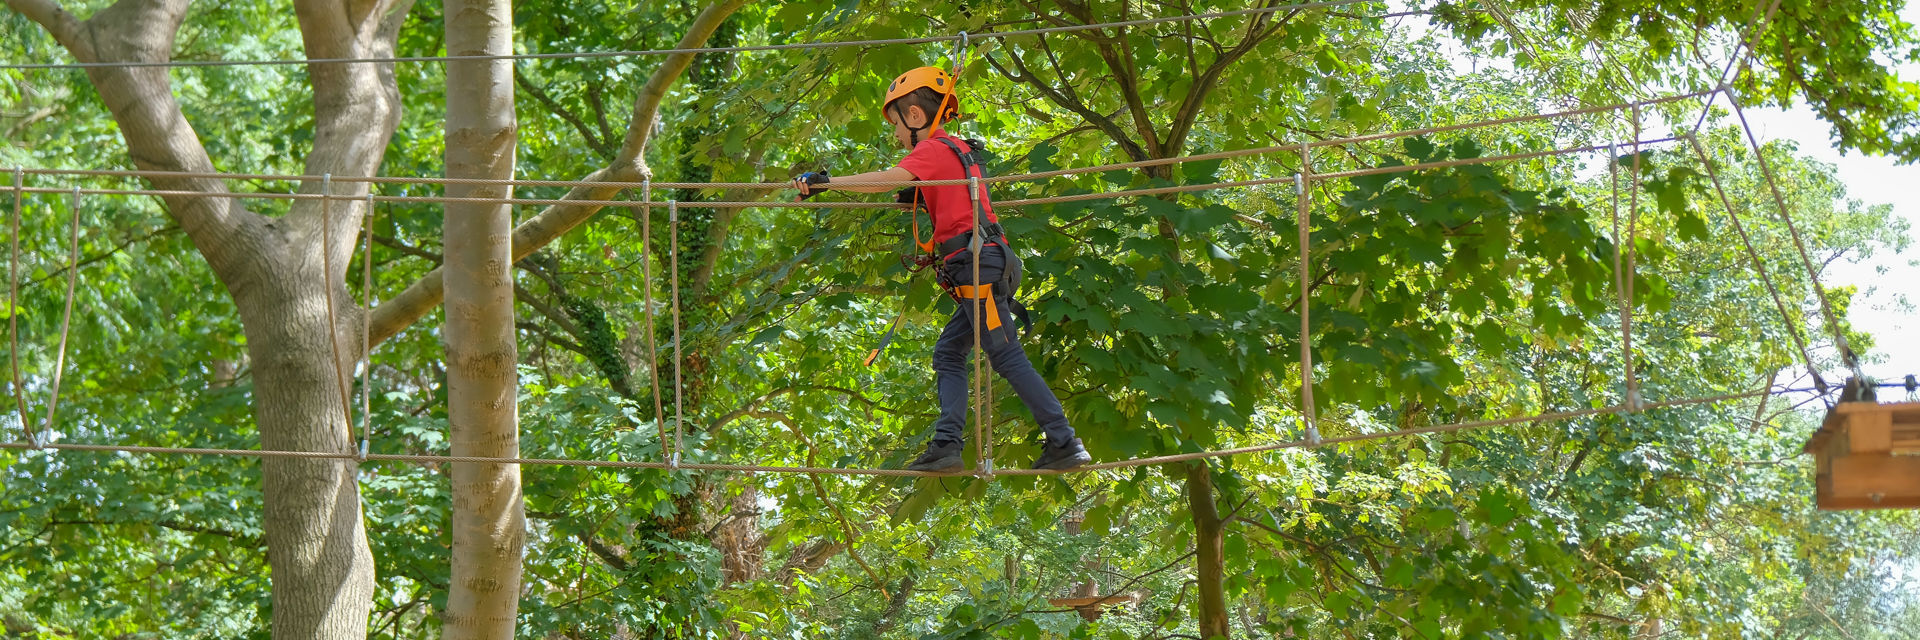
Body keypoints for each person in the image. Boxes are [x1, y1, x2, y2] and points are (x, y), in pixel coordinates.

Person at [791, 66, 1091, 472]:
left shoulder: (931, 151)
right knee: (949, 352)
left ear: (915, 116)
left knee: (1005, 356)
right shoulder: (958, 151)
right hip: (986, 261)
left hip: (978, 265)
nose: (896, 135)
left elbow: (885, 180)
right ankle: (947, 444)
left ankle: (1064, 441)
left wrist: (827, 182)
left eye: (897, 124)